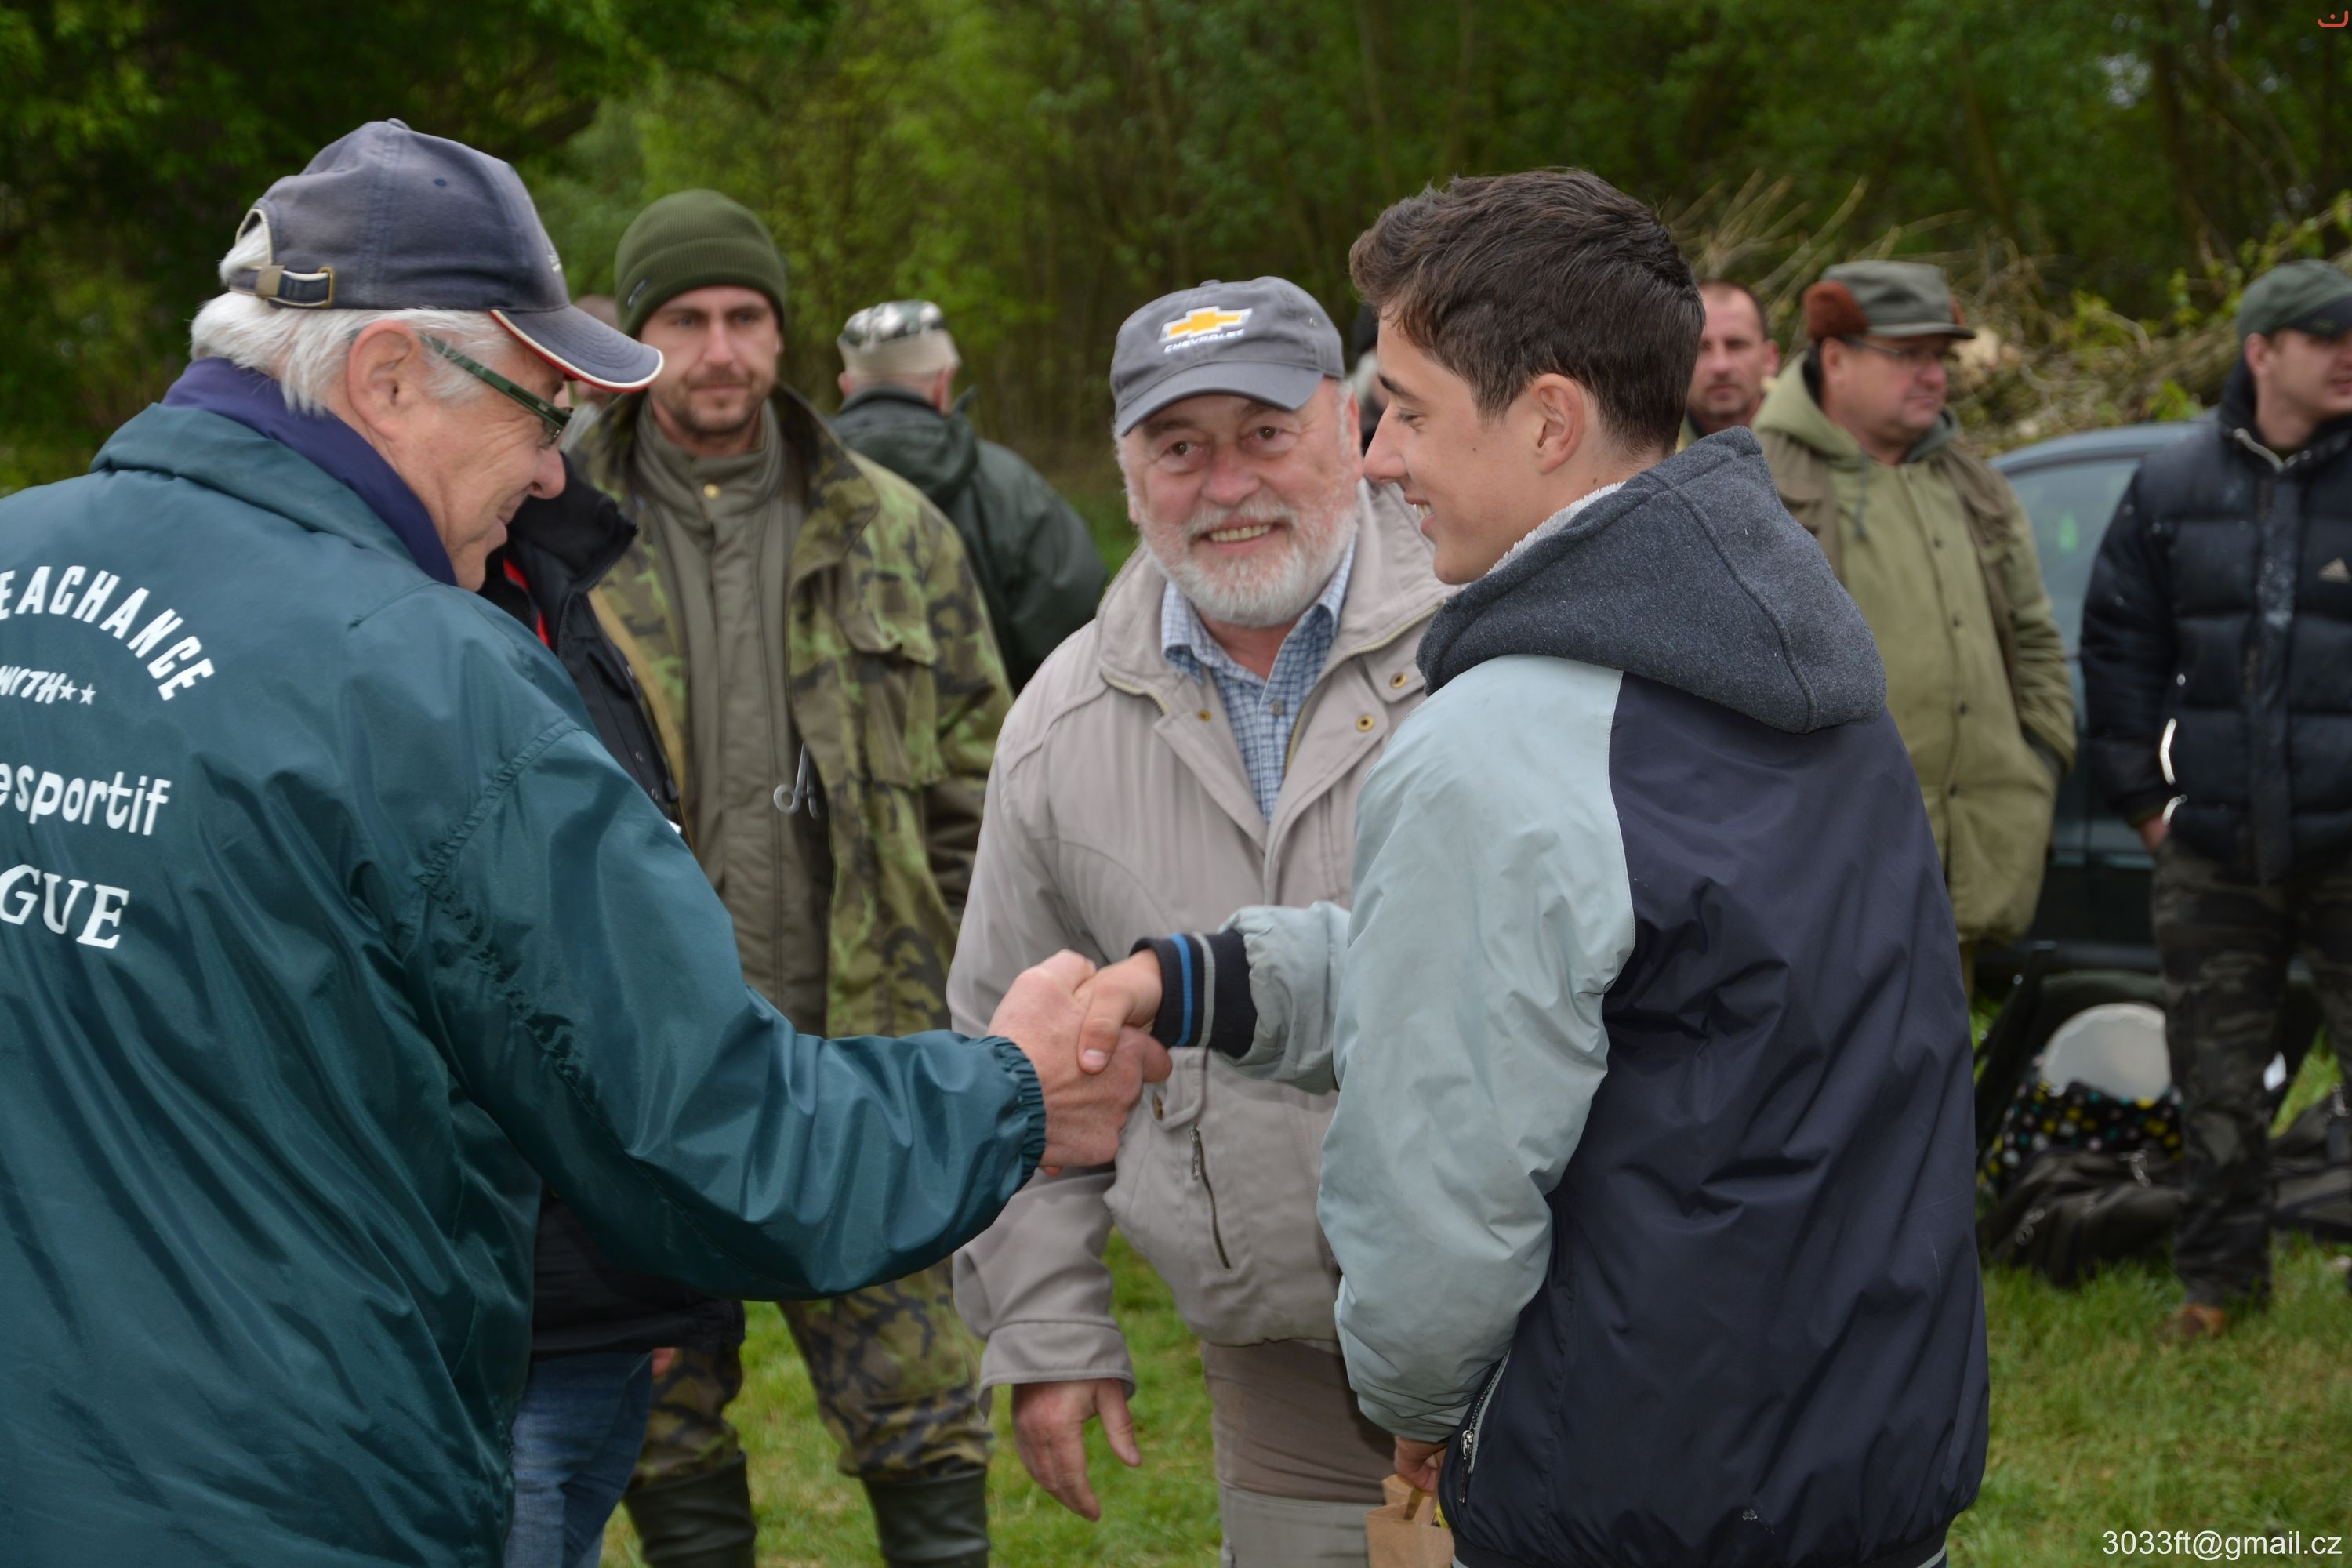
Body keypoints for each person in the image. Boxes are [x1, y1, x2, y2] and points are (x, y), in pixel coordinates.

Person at [0, 120, 1159, 1568]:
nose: (554, 475)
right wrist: (1015, 1090)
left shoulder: (21, 565)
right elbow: (707, 1137)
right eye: (540, 411)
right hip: (287, 1491)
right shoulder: (430, 678)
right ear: (386, 377)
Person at [1077, 169, 1988, 1568]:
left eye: (1407, 409)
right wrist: (1206, 981)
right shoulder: (1814, 665)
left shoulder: (1494, 747)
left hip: (1629, 1495)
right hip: (1865, 1462)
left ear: (1550, 421)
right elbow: (1653, 996)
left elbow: (1439, 1206)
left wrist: (1417, 1408)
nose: (1376, 458)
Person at [948, 277, 1446, 1565]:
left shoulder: (1486, 643)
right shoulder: (1061, 728)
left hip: (1540, 1340)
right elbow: (1009, 1044)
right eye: (1180, 448)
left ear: (1349, 427)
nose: (1227, 486)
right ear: (1128, 476)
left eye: (1265, 435)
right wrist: (1047, 1322)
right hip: (1279, 1372)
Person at [570, 192, 1011, 1568]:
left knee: (922, 1404)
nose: (719, 350)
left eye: (745, 317)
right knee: (661, 1420)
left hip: (856, 1065)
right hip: (632, 1081)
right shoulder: (547, 532)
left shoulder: (897, 532)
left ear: (782, 333)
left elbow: (980, 796)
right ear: (635, 339)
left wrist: (951, 996)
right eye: (685, 319)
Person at [2080, 256, 2352, 1341]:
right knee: (2218, 1079)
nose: (2349, 356)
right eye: (2326, 338)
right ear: (2262, 353)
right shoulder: (2171, 485)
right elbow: (2119, 647)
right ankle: (2221, 1283)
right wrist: (2148, 803)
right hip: (2214, 850)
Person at [482, 460, 742, 1568]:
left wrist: (657, 1279)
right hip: (501, 1330)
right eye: (534, 401)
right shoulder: (392, 618)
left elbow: (638, 947)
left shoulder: (559, 581)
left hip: (605, 1297)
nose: (555, 458)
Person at [1755, 260, 2074, 993]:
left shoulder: (1976, 486)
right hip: (1816, 869)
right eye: (1908, 355)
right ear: (1835, 358)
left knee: (1942, 1054)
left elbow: (2035, 642)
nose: (1933, 376)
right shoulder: (1754, 480)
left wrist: (2040, 758)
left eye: (1940, 357)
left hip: (1969, 854)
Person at [831, 299, 1106, 689]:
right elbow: (1073, 639)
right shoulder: (1013, 489)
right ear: (944, 382)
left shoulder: (791, 483)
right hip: (997, 726)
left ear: (847, 387)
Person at [1683, 278, 1779, 441]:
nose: (1720, 366)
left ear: (1769, 359)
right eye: (1700, 349)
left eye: (1736, 345)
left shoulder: (1814, 436)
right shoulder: (1644, 447)